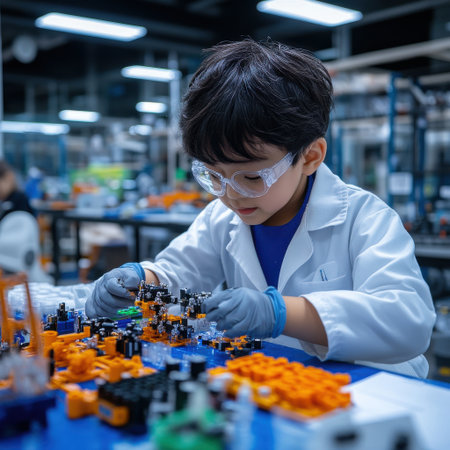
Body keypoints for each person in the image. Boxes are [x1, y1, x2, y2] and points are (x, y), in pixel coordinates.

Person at [86, 38, 435, 378]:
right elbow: (180, 273)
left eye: (252, 177)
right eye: (213, 175)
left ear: (310, 156)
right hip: (275, 385)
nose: (231, 195)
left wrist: (281, 314)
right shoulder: (222, 216)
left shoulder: (365, 219)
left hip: (374, 393)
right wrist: (138, 282)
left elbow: (408, 320)